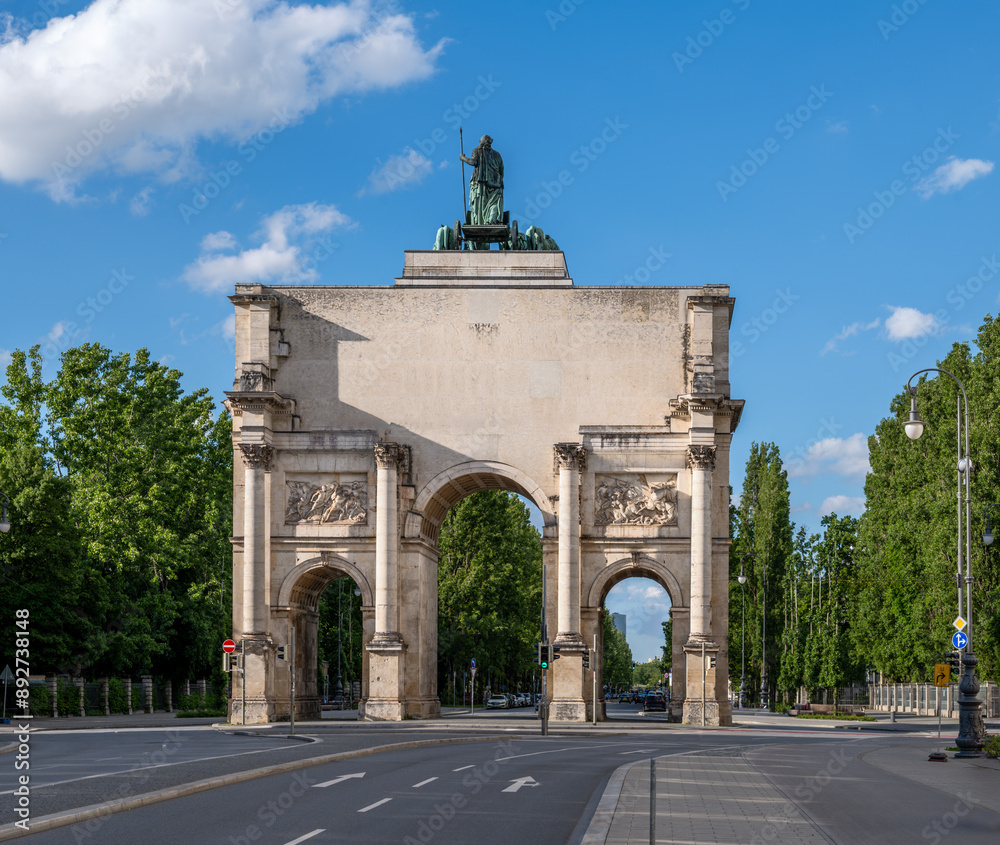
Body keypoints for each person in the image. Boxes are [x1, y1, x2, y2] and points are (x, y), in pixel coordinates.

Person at [460, 134, 504, 227]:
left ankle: (480, 222)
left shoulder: (477, 150)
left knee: (479, 203)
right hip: (496, 184)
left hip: (481, 184)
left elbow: (473, 162)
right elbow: (502, 170)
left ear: (481, 142)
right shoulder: (497, 154)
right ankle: (492, 220)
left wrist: (462, 158)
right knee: (494, 203)